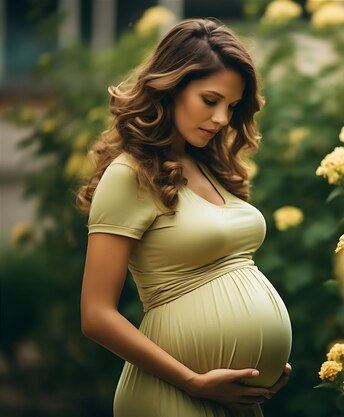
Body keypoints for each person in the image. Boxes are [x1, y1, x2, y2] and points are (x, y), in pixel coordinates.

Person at [77, 18, 292, 417]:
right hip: (173, 394)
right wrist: (192, 381)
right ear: (170, 87)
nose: (222, 119)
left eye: (231, 106)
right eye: (210, 100)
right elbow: (95, 315)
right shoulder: (130, 173)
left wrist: (266, 361)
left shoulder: (207, 166)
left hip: (236, 398)